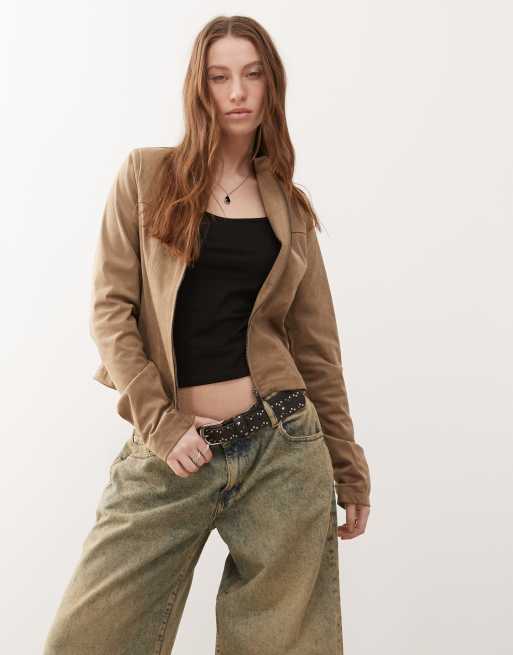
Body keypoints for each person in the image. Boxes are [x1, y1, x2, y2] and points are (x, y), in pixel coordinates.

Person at [44, 14, 371, 655]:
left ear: (272, 85)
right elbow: (111, 311)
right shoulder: (146, 177)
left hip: (281, 447)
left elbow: (317, 348)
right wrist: (162, 425)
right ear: (200, 88)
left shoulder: (290, 207)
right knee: (84, 640)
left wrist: (348, 467)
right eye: (220, 77)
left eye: (252, 75)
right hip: (172, 448)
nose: (238, 92)